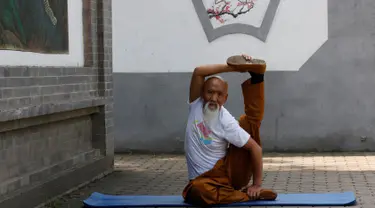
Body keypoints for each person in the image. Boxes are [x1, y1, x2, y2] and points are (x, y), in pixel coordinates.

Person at [182, 54, 277, 206]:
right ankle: (243, 196)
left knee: (248, 124)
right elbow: (198, 71)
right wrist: (235, 67)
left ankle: (257, 76)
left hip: (226, 176)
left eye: (219, 95)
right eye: (210, 92)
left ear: (225, 99)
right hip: (202, 183)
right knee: (198, 191)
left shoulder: (225, 120)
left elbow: (256, 148)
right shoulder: (196, 104)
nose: (213, 98)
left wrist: (257, 184)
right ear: (201, 93)